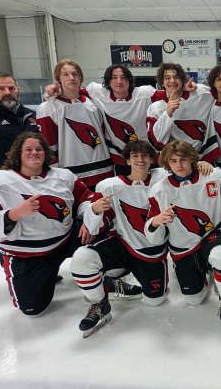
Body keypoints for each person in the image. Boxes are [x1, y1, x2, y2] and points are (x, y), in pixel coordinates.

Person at [0, 132, 95, 316]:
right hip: (28, 255)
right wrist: (15, 213)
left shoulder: (63, 176)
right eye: (28, 149)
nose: (34, 153)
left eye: (39, 149)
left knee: (102, 224)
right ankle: (21, 267)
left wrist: (91, 217)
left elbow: (85, 198)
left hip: (64, 241)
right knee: (32, 308)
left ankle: (103, 277)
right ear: (17, 154)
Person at [68, 141, 168, 338]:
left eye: (144, 156)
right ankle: (100, 302)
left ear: (151, 159)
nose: (140, 160)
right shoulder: (109, 186)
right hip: (122, 242)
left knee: (155, 300)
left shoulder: (162, 178)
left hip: (152, 248)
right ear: (128, 160)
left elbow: (184, 169)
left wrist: (200, 165)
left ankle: (110, 283)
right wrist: (94, 211)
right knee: (82, 259)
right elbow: (95, 225)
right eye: (135, 156)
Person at [145, 140, 221, 328]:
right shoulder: (159, 190)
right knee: (194, 299)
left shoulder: (213, 175)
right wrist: (157, 221)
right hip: (182, 245)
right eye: (173, 161)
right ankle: (210, 274)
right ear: (167, 163)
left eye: (183, 159)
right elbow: (152, 231)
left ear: (192, 159)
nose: (179, 165)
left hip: (212, 233)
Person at [37, 59, 113, 190]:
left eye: (75, 74)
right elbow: (49, 146)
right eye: (65, 74)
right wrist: (53, 176)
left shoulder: (93, 102)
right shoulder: (47, 108)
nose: (71, 78)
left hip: (103, 170)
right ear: (58, 79)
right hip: (70, 174)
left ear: (81, 78)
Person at [84, 64, 157, 175]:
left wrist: (188, 88)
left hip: (146, 155)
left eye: (123, 77)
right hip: (120, 158)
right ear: (108, 81)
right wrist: (54, 90)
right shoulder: (98, 93)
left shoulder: (144, 94)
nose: (119, 81)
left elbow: (170, 94)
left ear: (129, 80)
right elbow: (72, 92)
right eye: (114, 77)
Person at [147, 62, 218, 162]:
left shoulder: (200, 94)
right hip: (175, 162)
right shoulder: (156, 108)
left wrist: (194, 86)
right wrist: (168, 113)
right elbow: (157, 142)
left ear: (182, 80)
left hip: (202, 159)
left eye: (176, 77)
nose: (172, 81)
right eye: (167, 78)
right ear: (162, 82)